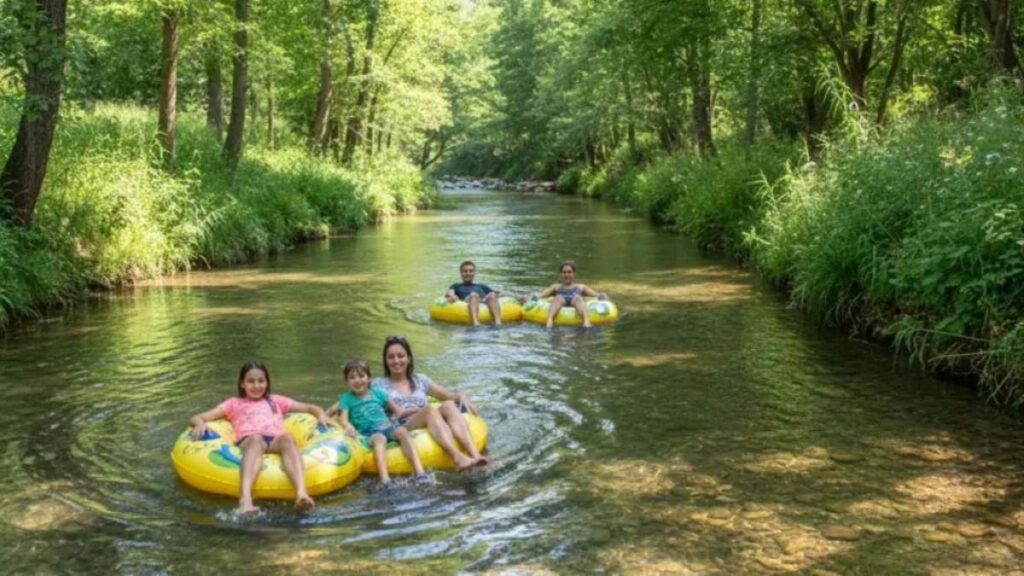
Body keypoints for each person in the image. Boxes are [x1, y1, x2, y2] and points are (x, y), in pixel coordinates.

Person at [189, 360, 331, 515]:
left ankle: (302, 494)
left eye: (261, 381)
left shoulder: (275, 401)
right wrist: (199, 424)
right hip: (249, 441)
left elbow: (309, 407)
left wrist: (321, 414)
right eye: (251, 381)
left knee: (287, 438)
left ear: (267, 382)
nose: (257, 386)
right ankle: (246, 500)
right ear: (242, 384)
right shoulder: (233, 403)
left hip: (274, 440)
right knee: (256, 439)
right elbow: (198, 417)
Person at [373, 336, 488, 471]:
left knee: (449, 405)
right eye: (391, 357)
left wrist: (461, 396)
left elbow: (447, 395)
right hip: (402, 426)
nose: (396, 360)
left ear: (409, 358)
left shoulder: (420, 380)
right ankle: (457, 457)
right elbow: (356, 401)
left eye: (401, 356)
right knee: (429, 410)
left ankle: (475, 455)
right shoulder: (378, 385)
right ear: (386, 361)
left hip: (428, 422)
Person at [327, 358, 427, 484]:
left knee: (402, 431)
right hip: (369, 432)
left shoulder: (379, 393)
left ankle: (420, 473)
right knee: (379, 440)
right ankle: (385, 480)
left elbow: (398, 411)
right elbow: (344, 420)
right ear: (347, 381)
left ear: (369, 378)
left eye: (361, 376)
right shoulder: (346, 399)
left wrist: (417, 410)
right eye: (352, 377)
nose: (357, 380)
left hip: (388, 426)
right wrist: (348, 427)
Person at [524, 260, 608, 328]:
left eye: (569, 272)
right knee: (558, 298)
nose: (566, 275)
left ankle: (586, 322)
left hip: (575, 302)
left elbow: (596, 295)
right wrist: (529, 298)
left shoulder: (581, 287)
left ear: (574, 274)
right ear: (561, 274)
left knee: (578, 298)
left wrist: (603, 296)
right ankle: (549, 322)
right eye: (564, 272)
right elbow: (541, 295)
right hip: (560, 302)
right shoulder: (556, 287)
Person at [446, 260, 502, 326]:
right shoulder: (456, 286)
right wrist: (453, 296)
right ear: (461, 273)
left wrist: (515, 296)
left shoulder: (481, 286)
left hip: (482, 301)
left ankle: (498, 323)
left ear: (474, 273)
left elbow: (498, 294)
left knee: (492, 295)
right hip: (468, 300)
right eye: (465, 271)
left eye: (471, 271)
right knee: (474, 295)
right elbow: (450, 292)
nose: (468, 273)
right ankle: (476, 324)